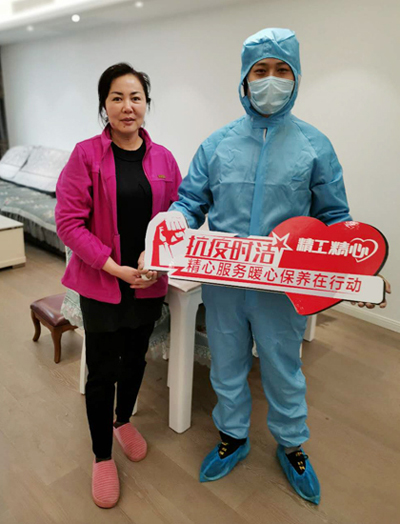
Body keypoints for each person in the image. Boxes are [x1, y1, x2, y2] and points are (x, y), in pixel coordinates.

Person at [169, 28, 390, 504]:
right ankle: (233, 436)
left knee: (283, 367)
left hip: (283, 287)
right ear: (244, 79)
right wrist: (169, 227)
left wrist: (359, 269)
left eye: (282, 70)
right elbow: (189, 202)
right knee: (227, 363)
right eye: (261, 71)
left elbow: (336, 218)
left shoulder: (314, 145)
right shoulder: (217, 144)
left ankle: (291, 445)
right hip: (225, 282)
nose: (271, 80)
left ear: (297, 77)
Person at [55, 63, 181, 509]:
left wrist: (157, 260)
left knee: (135, 359)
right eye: (117, 97)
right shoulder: (86, 155)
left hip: (147, 283)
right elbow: (68, 223)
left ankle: (123, 420)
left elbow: (176, 219)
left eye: (136, 98)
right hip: (102, 283)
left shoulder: (164, 159)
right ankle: (102, 455)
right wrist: (113, 267)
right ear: (104, 105)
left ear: (147, 104)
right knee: (102, 370)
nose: (128, 107)